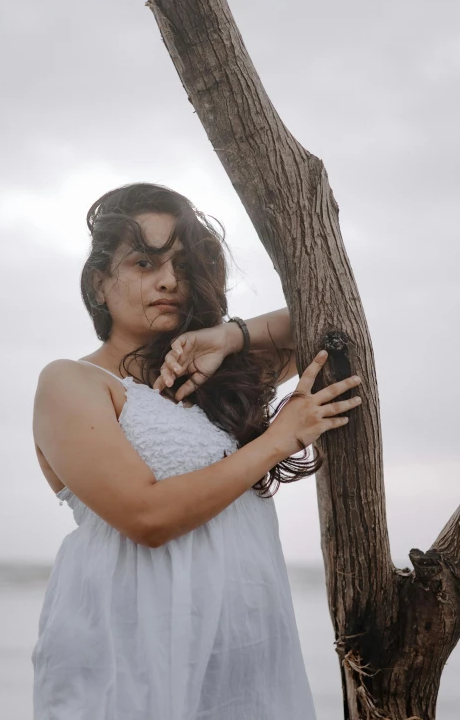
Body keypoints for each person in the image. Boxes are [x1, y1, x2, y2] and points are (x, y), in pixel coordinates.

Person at [31, 183, 363, 719]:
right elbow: (148, 516)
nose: (168, 281)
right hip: (129, 659)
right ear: (98, 283)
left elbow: (331, 318)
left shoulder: (216, 379)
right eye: (143, 262)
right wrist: (281, 438)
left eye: (183, 265)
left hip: (244, 659)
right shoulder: (72, 383)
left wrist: (231, 337)